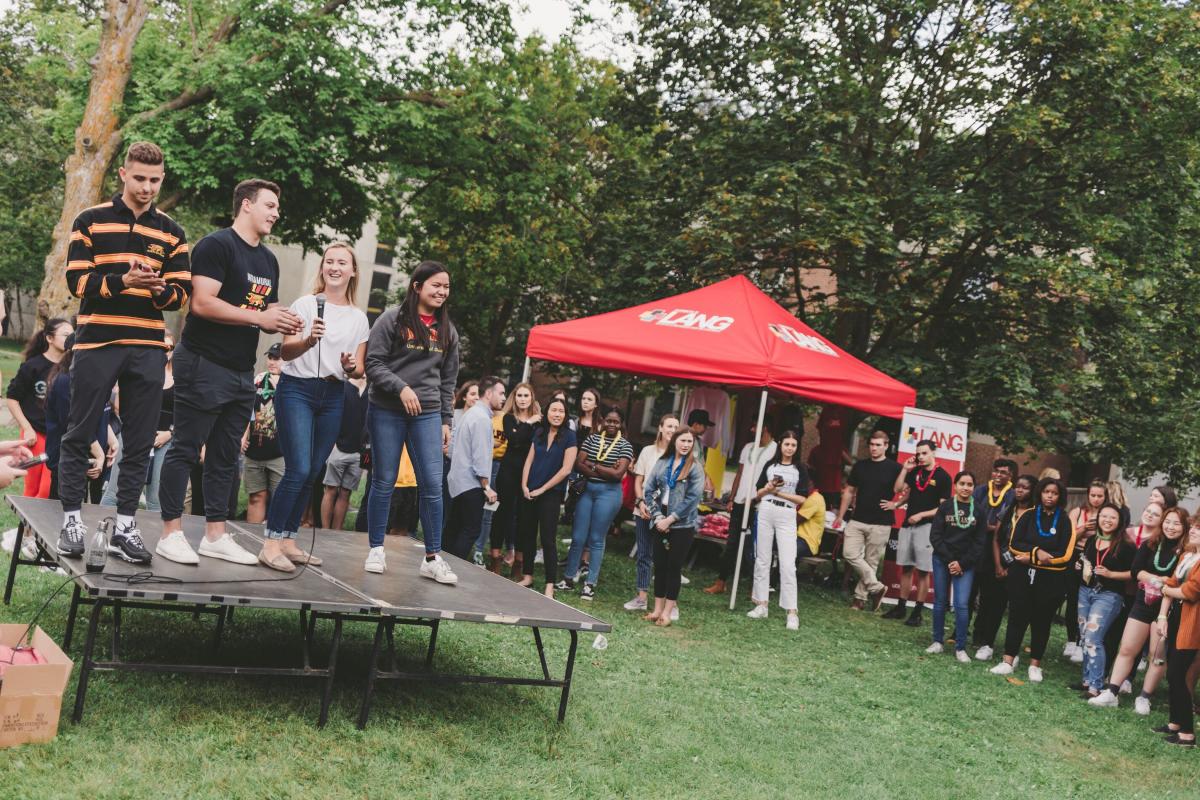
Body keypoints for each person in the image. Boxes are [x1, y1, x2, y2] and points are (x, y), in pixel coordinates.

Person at [52, 141, 191, 562]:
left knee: (140, 441)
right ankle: (72, 519)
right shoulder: (89, 220)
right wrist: (123, 282)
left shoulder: (172, 232)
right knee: (79, 432)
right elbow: (77, 283)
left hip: (148, 346)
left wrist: (158, 288)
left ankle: (125, 525)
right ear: (124, 175)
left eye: (155, 180)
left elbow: (181, 294)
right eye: (140, 178)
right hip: (97, 341)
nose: (147, 187)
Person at [156, 179, 304, 565]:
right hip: (204, 362)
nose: (276, 213)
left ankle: (215, 535)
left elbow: (264, 313)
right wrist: (261, 317)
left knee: (225, 457)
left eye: (278, 207)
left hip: (241, 370)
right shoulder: (216, 246)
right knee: (186, 448)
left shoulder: (268, 260)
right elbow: (202, 303)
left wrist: (286, 321)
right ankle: (170, 532)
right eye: (270, 205)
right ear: (246, 206)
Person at [257, 243, 368, 571]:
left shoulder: (359, 318)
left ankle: (289, 540)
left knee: (314, 471)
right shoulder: (306, 304)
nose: (334, 267)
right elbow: (285, 353)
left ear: (352, 271)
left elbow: (360, 369)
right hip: (298, 391)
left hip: (334, 395)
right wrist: (309, 341)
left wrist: (350, 367)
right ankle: (271, 542)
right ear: (322, 269)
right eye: (329, 261)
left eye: (341, 262)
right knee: (299, 468)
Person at [363, 261, 460, 579]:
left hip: (429, 414)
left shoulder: (447, 331)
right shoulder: (392, 320)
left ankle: (432, 558)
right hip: (387, 410)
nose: (442, 291)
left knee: (433, 484)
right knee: (384, 480)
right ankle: (376, 549)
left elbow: (448, 381)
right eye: (436, 285)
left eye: (446, 287)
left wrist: (446, 420)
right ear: (418, 286)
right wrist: (400, 387)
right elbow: (373, 363)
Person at [1090, 505, 1187, 712]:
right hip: (1144, 602)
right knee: (1127, 648)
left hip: (1169, 607)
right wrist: (1157, 579)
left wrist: (1160, 581)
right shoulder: (1151, 544)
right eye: (1167, 522)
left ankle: (1144, 697)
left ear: (1184, 527)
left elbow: (1180, 580)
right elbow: (1136, 570)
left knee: (1157, 655)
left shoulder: (1186, 551)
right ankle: (1112, 691)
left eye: (1176, 524)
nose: (1170, 527)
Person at [990, 476, 1077, 683]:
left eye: (1054, 493)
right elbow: (1014, 544)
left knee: (1042, 621)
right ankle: (1008, 661)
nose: (1050, 496)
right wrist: (1038, 552)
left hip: (1050, 580)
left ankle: (1035, 665)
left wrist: (1031, 558)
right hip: (1021, 577)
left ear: (1060, 496)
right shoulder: (1028, 515)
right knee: (1017, 617)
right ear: (1040, 493)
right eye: (1047, 492)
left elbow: (1064, 555)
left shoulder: (1065, 520)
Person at [559, 407, 635, 600]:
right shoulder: (592, 439)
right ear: (603, 421)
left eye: (615, 422)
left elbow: (618, 475)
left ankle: (590, 584)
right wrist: (603, 469)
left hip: (609, 494)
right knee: (578, 537)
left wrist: (592, 465)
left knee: (596, 539)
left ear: (621, 424)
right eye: (608, 421)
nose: (611, 424)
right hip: (588, 490)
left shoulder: (625, 445)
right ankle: (568, 578)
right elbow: (578, 463)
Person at [746, 430, 811, 630]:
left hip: (787, 514)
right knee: (763, 559)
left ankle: (791, 611)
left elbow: (803, 498)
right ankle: (761, 603)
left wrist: (781, 492)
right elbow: (757, 493)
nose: (790, 448)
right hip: (766, 509)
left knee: (787, 563)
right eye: (786, 444)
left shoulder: (800, 468)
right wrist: (769, 489)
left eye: (793, 445)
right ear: (780, 444)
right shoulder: (770, 465)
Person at [884, 439, 952, 627]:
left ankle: (917, 612)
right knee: (906, 568)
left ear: (933, 453)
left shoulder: (943, 476)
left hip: (927, 527)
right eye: (918, 453)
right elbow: (899, 490)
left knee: (923, 571)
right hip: (907, 525)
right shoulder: (915, 472)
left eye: (924, 453)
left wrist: (921, 515)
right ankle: (900, 607)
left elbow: (942, 508)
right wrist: (905, 469)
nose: (921, 457)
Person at [642, 429, 706, 627]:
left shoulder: (695, 468)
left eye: (690, 441)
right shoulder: (663, 463)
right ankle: (657, 609)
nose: (686, 444)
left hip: (682, 524)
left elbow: (692, 498)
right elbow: (649, 489)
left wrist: (670, 520)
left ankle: (668, 612)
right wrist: (658, 516)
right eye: (683, 440)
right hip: (660, 519)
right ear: (675, 441)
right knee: (659, 565)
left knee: (673, 567)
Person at [704, 423, 775, 597]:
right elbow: (739, 473)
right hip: (740, 502)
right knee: (732, 544)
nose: (751, 429)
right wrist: (731, 498)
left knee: (756, 547)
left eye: (755, 426)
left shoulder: (775, 449)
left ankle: (756, 588)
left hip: (759, 504)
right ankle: (721, 582)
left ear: (765, 428)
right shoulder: (747, 447)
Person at [1072, 502, 1135, 697]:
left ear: (1120, 521)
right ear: (1098, 518)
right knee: (1084, 636)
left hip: (1109, 595)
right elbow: (1087, 561)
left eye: (1112, 517)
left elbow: (1134, 573)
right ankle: (1086, 680)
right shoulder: (1092, 540)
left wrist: (1111, 574)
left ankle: (1096, 686)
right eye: (1104, 516)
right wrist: (1079, 565)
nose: (1107, 520)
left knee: (1093, 638)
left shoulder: (1126, 546)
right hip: (1085, 591)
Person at [6, 318, 72, 500]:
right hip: (35, 435)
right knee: (32, 488)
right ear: (49, 338)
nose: (70, 339)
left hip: (58, 437)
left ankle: (34, 528)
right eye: (66, 335)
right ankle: (25, 529)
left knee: (47, 489)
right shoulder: (32, 366)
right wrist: (26, 428)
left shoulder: (72, 370)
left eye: (73, 335)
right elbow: (12, 398)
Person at [835, 430, 901, 612]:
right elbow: (849, 491)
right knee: (849, 553)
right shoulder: (860, 466)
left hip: (881, 522)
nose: (874, 448)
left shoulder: (895, 468)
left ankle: (859, 598)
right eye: (872, 444)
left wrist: (896, 504)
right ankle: (877, 587)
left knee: (871, 560)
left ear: (886, 446)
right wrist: (840, 515)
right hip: (857, 519)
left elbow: (906, 488)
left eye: (878, 445)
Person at [517, 397, 577, 597]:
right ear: (547, 412)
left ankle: (550, 584)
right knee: (527, 534)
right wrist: (524, 485)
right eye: (554, 410)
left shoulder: (570, 437)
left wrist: (542, 489)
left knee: (548, 539)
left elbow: (566, 469)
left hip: (551, 494)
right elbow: (528, 461)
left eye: (561, 411)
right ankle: (528, 575)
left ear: (565, 415)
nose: (557, 414)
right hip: (530, 491)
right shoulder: (539, 432)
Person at [973, 474, 1036, 660]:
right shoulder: (1008, 510)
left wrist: (1014, 566)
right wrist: (999, 565)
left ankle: (1012, 651)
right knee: (993, 606)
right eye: (1018, 486)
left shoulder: (1035, 513)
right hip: (1000, 565)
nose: (1019, 490)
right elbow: (996, 538)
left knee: (1018, 611)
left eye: (1025, 487)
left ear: (1033, 491)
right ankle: (987, 644)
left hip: (1022, 568)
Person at [926, 471, 986, 662]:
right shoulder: (945, 507)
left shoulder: (978, 510)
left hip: (965, 564)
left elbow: (979, 542)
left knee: (961, 605)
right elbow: (935, 535)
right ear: (955, 485)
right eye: (962, 483)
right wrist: (951, 560)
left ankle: (960, 647)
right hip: (943, 560)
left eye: (970, 484)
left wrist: (962, 563)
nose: (966, 488)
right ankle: (937, 641)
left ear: (974, 487)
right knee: (940, 601)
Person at [444, 377, 505, 561]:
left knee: (453, 527)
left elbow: (452, 448)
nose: (504, 397)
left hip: (457, 480)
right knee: (471, 530)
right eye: (501, 393)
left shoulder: (469, 414)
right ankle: (453, 566)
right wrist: (486, 487)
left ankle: (440, 562)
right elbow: (480, 457)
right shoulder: (482, 418)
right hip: (471, 484)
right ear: (488, 393)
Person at [44, 337, 107, 503]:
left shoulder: (85, 380)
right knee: (59, 510)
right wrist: (99, 454)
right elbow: (73, 424)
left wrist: (112, 442)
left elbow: (96, 415)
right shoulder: (65, 381)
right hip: (65, 458)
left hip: (83, 455)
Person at [627, 413, 680, 610]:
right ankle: (641, 597)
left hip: (667, 515)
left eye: (676, 427)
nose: (672, 431)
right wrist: (640, 502)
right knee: (643, 554)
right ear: (660, 427)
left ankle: (669, 603)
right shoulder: (648, 452)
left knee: (666, 559)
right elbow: (638, 480)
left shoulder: (679, 455)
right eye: (669, 426)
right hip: (644, 510)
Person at [1156, 518, 1200, 748]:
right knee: (1171, 671)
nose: (1193, 530)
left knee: (1177, 674)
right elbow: (1173, 584)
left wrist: (1166, 588)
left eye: (1199, 528)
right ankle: (1174, 722)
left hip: (1192, 623)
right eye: (1193, 526)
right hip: (1174, 618)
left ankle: (1187, 734)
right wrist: (1162, 616)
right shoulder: (1187, 556)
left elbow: (1190, 591)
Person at [489, 382, 542, 575]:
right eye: (519, 395)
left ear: (531, 398)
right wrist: (528, 423)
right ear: (514, 397)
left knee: (524, 517)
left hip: (529, 473)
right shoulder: (508, 418)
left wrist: (529, 426)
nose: (522, 399)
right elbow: (515, 440)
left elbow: (533, 443)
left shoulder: (540, 422)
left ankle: (518, 561)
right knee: (503, 513)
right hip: (508, 471)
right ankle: (494, 557)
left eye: (526, 396)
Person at [1063, 480, 1109, 664]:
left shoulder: (1108, 514)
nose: (1096, 499)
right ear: (1088, 495)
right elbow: (1068, 536)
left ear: (1105, 497)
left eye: (1100, 496)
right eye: (1093, 495)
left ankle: (1084, 641)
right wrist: (1083, 529)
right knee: (1073, 598)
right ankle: (1070, 640)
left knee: (1089, 598)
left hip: (1096, 556)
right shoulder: (1078, 512)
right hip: (1076, 554)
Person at [242, 345, 285, 524]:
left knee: (280, 500)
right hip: (255, 449)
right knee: (256, 496)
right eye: (270, 358)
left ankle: (275, 541)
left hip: (280, 451)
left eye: (277, 358)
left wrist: (279, 386)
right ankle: (252, 538)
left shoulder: (292, 384)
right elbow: (247, 410)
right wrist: (243, 436)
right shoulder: (258, 380)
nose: (272, 362)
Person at [322, 376, 368, 530]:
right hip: (338, 448)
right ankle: (325, 530)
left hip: (359, 452)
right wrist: (332, 443)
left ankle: (337, 531)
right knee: (330, 489)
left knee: (346, 493)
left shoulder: (372, 389)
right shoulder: (343, 387)